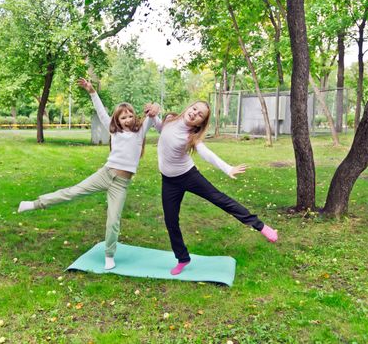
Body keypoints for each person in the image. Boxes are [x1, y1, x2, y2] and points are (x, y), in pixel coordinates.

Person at [18, 78, 159, 270]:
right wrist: (92, 91)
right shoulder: (114, 132)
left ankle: (109, 255)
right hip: (105, 174)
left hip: (121, 184)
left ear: (135, 117)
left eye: (130, 116)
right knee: (72, 192)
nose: (127, 120)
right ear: (117, 121)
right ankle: (34, 204)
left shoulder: (140, 132)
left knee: (113, 220)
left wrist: (155, 108)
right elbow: (101, 111)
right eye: (123, 117)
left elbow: (154, 115)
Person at [153, 101, 278, 275]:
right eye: (194, 109)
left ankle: (262, 227)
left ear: (200, 124)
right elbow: (162, 129)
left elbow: (207, 154)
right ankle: (183, 258)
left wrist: (228, 168)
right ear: (188, 107)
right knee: (170, 220)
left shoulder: (191, 137)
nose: (195, 113)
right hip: (168, 181)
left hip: (188, 176)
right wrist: (153, 114)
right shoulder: (170, 120)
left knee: (220, 200)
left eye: (200, 115)